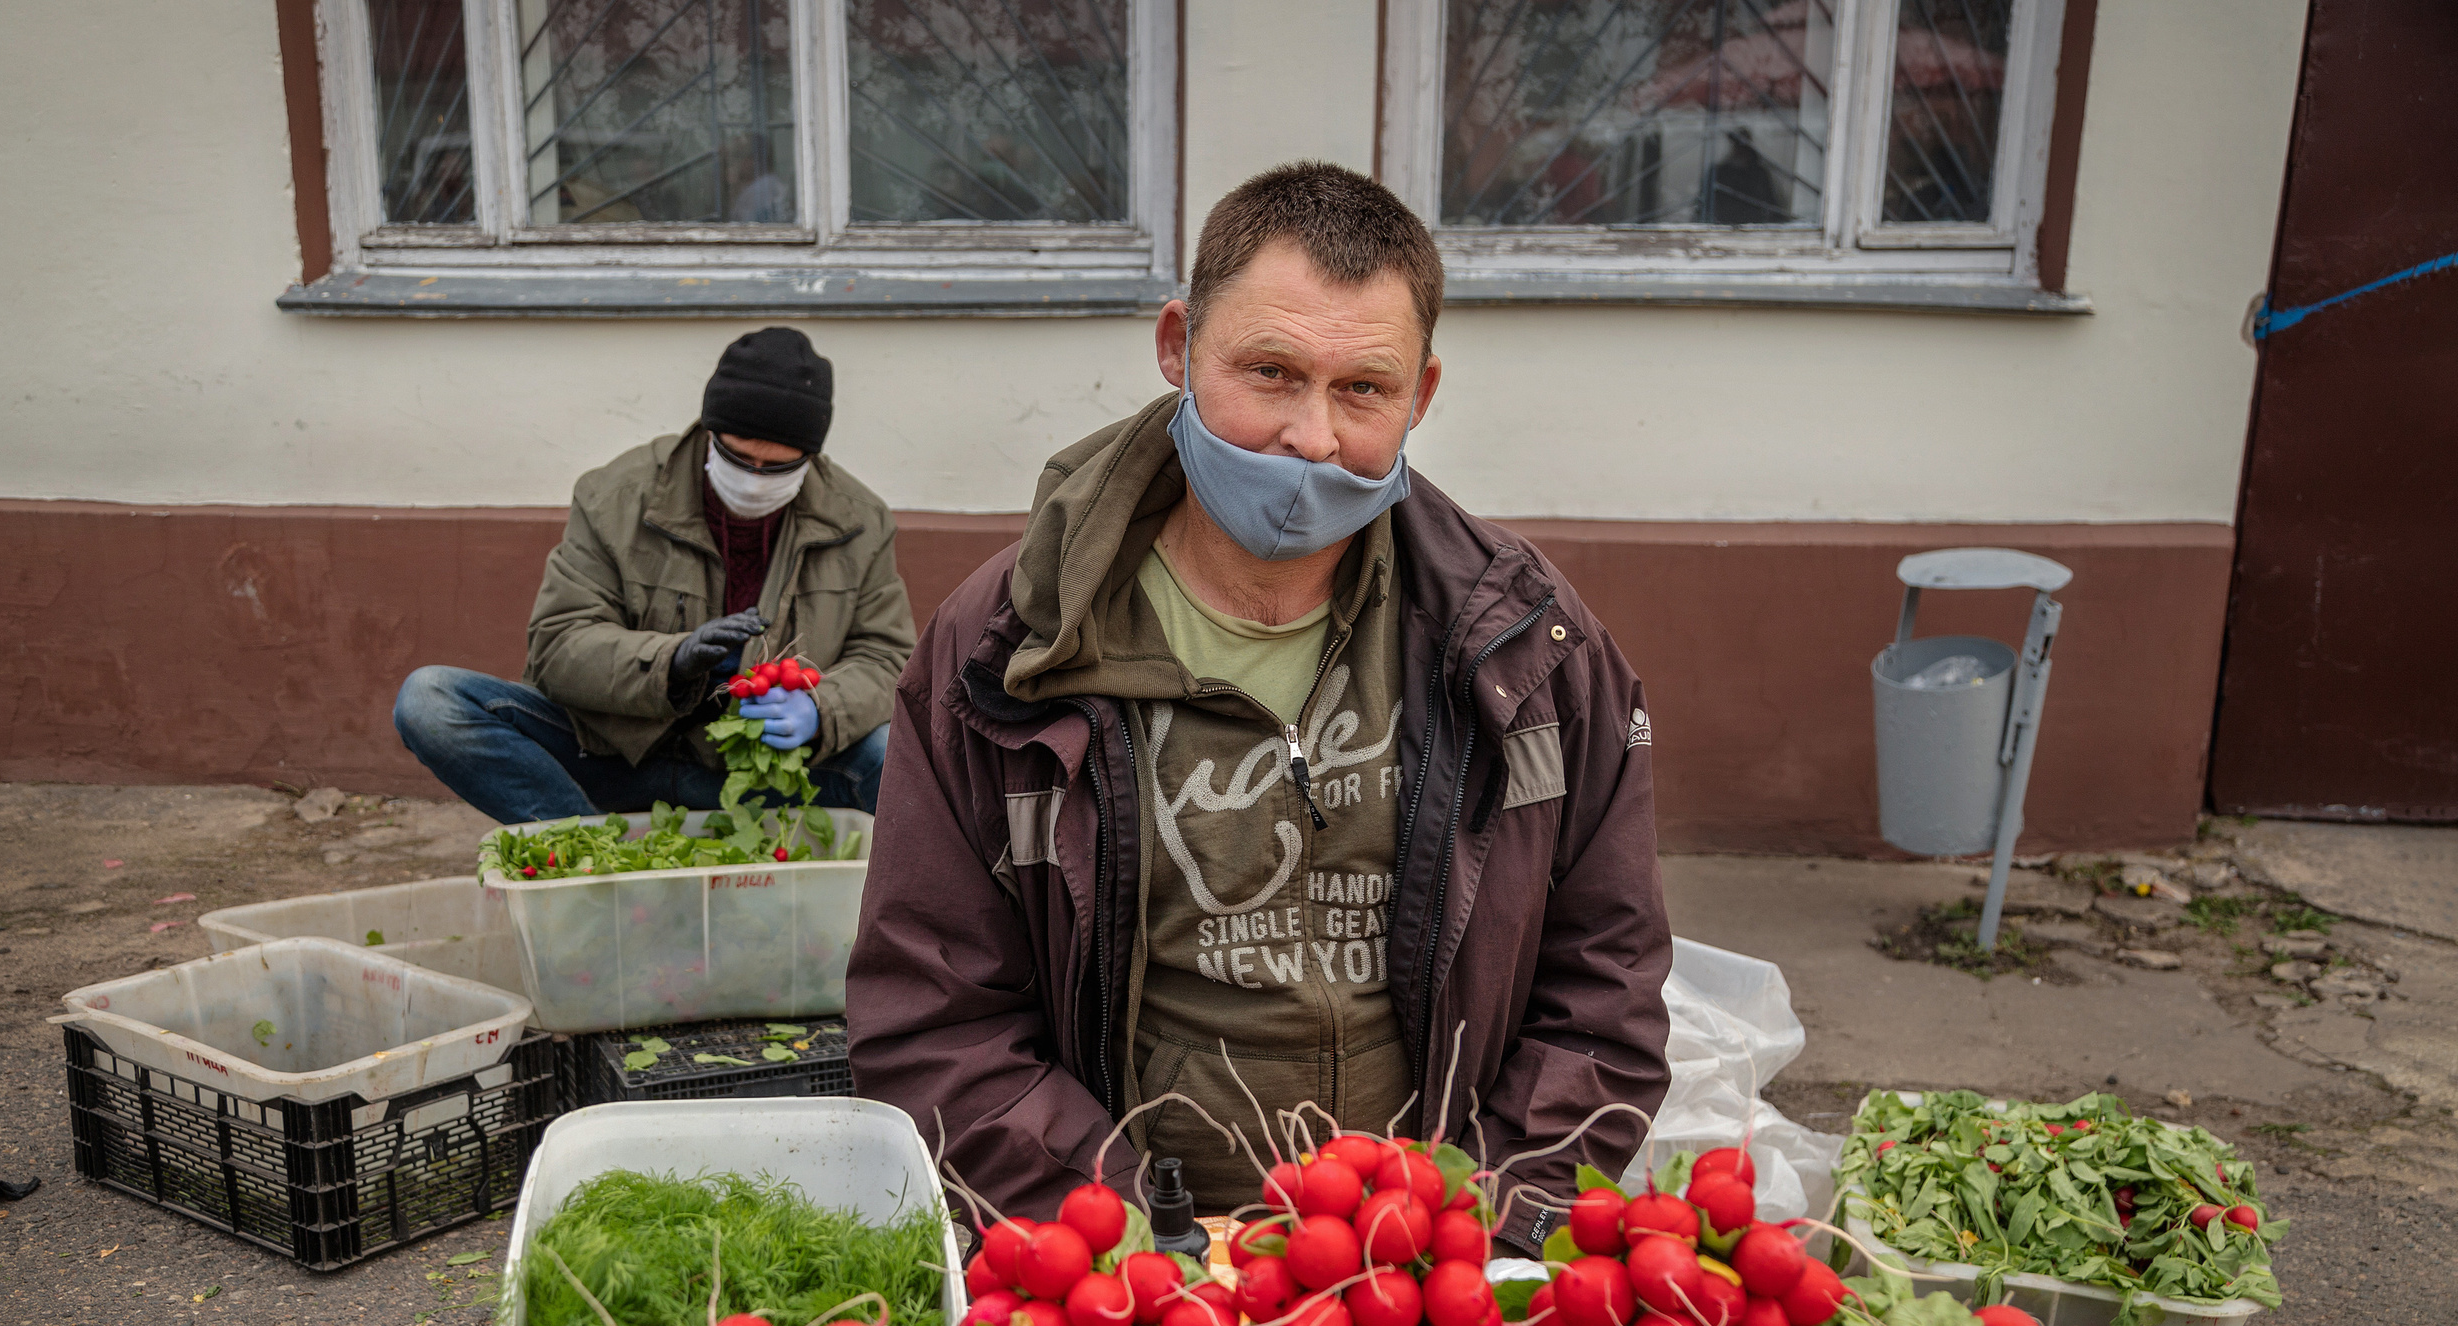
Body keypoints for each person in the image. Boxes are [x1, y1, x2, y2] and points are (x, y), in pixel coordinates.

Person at [846, 163, 1672, 1251]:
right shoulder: (1002, 650)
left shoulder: (1527, 645)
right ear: (1177, 346)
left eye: (1362, 390)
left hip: (1428, 1270)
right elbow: (935, 1018)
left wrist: (1491, 1223)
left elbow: (1604, 984)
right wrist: (1138, 1243)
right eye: (1270, 373)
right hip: (1129, 1277)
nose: (1312, 439)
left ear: (1421, 395)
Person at [393, 328, 914, 821]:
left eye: (777, 467)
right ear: (711, 433)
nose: (755, 481)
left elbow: (888, 657)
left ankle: (875, 899)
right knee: (430, 700)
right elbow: (556, 646)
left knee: (896, 752)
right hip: (617, 756)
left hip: (761, 779)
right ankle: (588, 852)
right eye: (739, 457)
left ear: (810, 458)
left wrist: (820, 710)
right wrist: (673, 661)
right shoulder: (614, 496)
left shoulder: (859, 521)